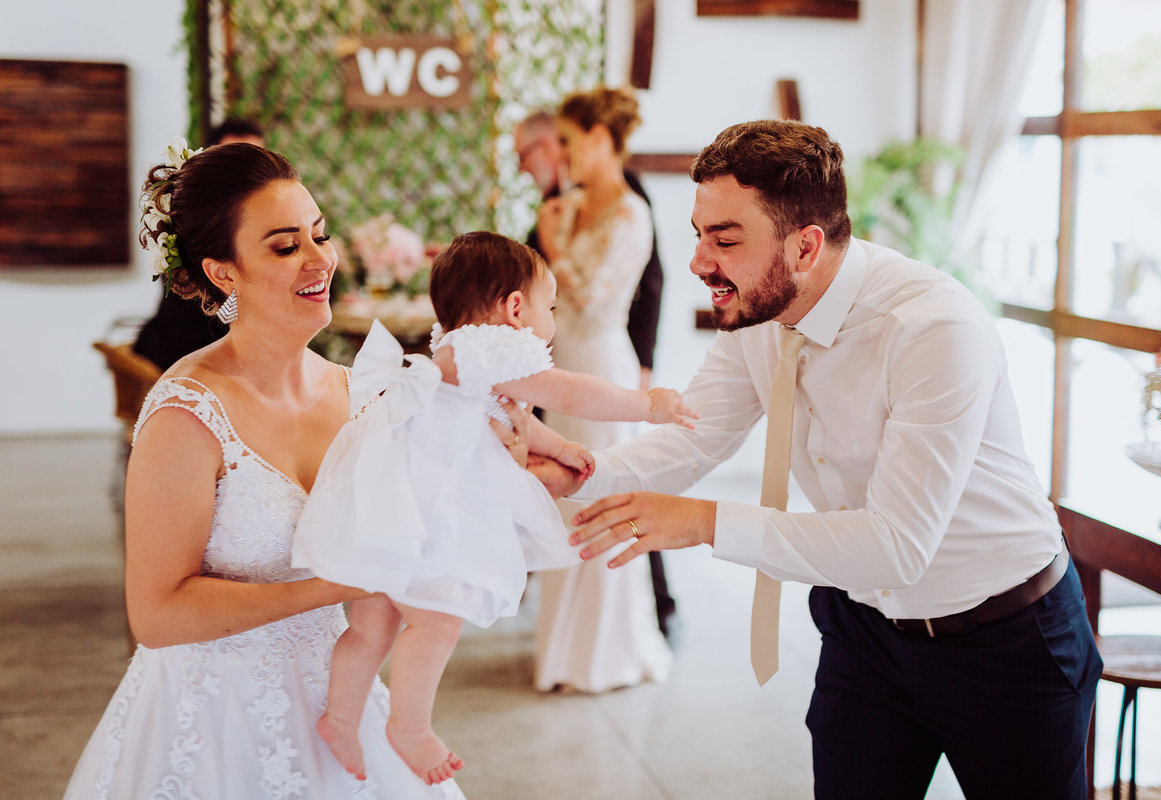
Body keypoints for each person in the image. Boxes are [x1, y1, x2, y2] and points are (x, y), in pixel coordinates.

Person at [549, 120, 1104, 799]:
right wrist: (583, 468)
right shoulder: (758, 312)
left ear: (806, 245)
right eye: (698, 234)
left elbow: (898, 545)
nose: (698, 261)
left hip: (1006, 637)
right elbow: (694, 435)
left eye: (725, 239)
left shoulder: (932, 328)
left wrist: (703, 522)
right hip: (865, 632)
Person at [63, 139, 469, 799]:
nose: (321, 260)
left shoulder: (355, 390)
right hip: (213, 722)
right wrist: (331, 587)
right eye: (285, 247)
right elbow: (158, 613)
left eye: (320, 234)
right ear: (224, 272)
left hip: (338, 696)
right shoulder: (187, 413)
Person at [290, 231, 696, 785]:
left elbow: (507, 418)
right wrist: (646, 404)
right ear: (514, 308)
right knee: (437, 619)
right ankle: (408, 727)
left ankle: (340, 717)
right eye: (547, 309)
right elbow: (568, 394)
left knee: (375, 620)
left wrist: (564, 449)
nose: (549, 324)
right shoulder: (491, 346)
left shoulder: (460, 349)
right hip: (431, 507)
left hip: (392, 502)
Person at [525, 86, 677, 693]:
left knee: (602, 498)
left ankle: (606, 655)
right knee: (564, 504)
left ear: (597, 138)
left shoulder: (632, 211)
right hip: (564, 368)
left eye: (566, 140)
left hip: (605, 364)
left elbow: (589, 295)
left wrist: (554, 243)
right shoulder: (573, 202)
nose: (560, 154)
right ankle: (563, 652)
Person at [131, 118, 266, 370]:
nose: (249, 174)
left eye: (256, 160)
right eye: (236, 161)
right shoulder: (192, 216)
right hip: (182, 348)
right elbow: (211, 307)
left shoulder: (272, 216)